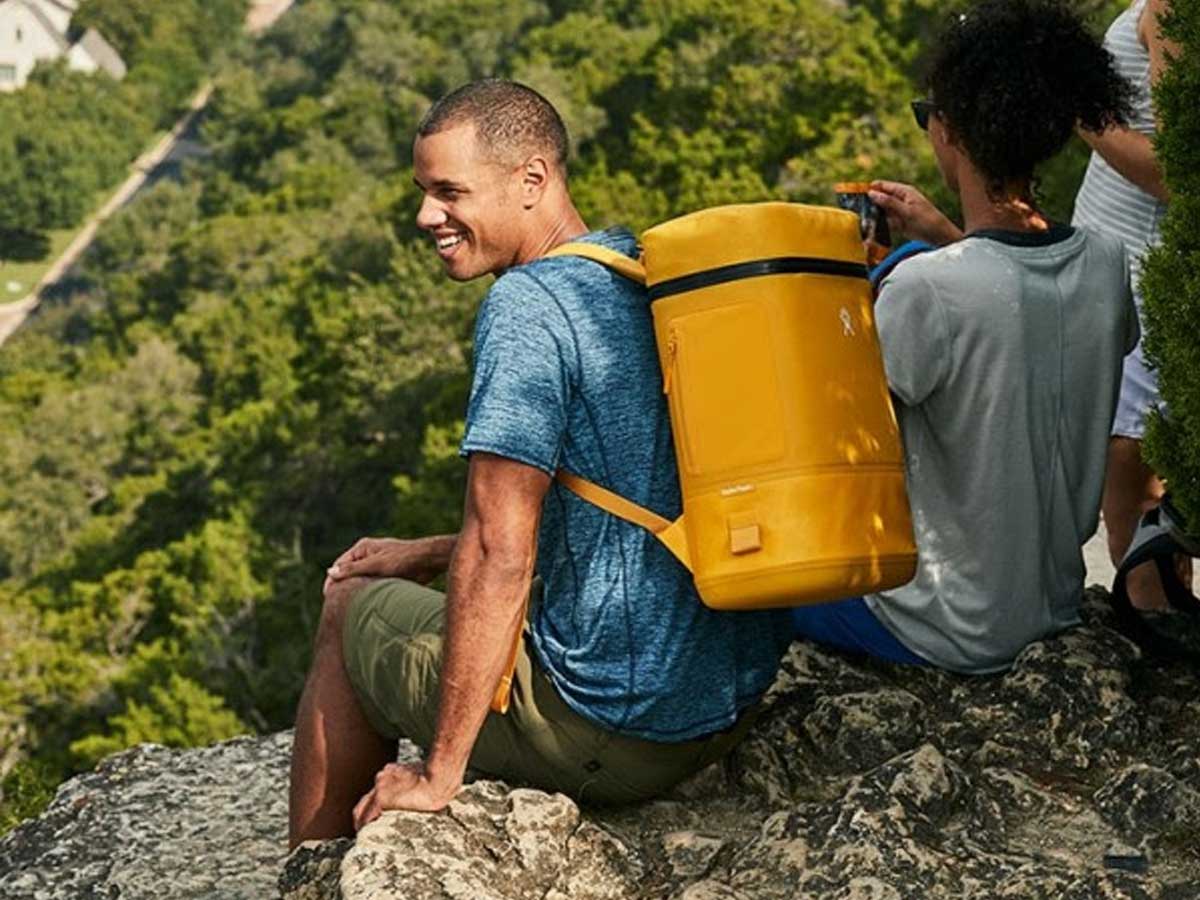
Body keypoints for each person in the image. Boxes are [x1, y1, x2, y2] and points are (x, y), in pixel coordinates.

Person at [287, 79, 792, 847]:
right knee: (393, 575)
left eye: (449, 191)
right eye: (424, 192)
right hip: (722, 706)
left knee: (351, 604)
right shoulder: (640, 270)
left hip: (614, 730)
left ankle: (306, 871)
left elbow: (501, 550)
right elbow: (609, 512)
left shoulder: (527, 309)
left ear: (532, 180)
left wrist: (439, 774)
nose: (427, 216)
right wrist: (423, 553)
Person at [789, 0, 1140, 673]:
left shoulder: (928, 291)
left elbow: (829, 421)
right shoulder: (1104, 264)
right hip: (1052, 604)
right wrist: (941, 240)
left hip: (944, 626)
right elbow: (1022, 303)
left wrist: (861, 283)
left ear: (947, 133)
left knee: (730, 584)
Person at [1072, 0, 1186, 610]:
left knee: (1136, 506)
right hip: (1126, 273)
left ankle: (1164, 654)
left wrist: (1088, 119)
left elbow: (1180, 170)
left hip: (1142, 281)